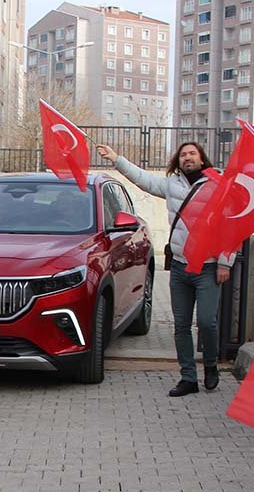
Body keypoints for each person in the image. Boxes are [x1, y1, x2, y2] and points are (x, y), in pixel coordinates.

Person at [96, 142, 233, 396]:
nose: (187, 157)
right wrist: (117, 159)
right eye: (183, 154)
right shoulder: (172, 184)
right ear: (178, 160)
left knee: (206, 321)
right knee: (181, 325)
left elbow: (230, 225)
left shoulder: (217, 184)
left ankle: (211, 366)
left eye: (192, 153)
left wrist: (225, 261)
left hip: (208, 266)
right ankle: (188, 377)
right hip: (181, 266)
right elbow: (143, 179)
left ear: (202, 158)